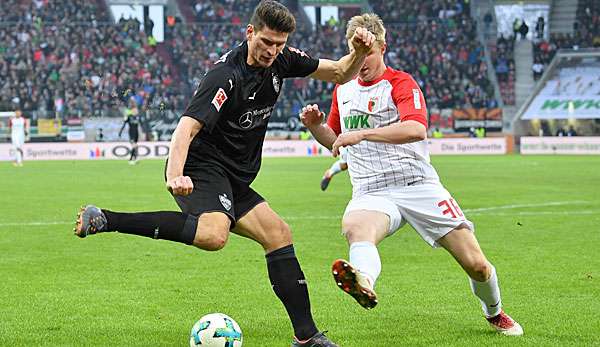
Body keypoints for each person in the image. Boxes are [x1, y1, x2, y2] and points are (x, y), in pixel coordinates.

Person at [73, 1, 376, 346]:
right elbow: (185, 129)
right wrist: (175, 174)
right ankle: (108, 219)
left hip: (232, 176)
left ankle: (306, 338)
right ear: (250, 33)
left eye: (278, 44)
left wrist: (358, 52)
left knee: (278, 233)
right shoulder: (225, 75)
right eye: (265, 42)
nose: (271, 51)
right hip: (199, 166)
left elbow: (339, 72)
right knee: (214, 235)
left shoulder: (283, 58)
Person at [300, 13, 523, 337]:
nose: (361, 61)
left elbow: (416, 128)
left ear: (383, 47)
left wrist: (363, 135)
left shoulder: (400, 82)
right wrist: (316, 126)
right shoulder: (342, 90)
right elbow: (335, 141)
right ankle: (362, 280)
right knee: (355, 227)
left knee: (476, 264)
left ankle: (495, 311)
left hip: (417, 184)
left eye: (368, 52)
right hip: (370, 190)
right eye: (355, 52)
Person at [119, 99, 141, 165]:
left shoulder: (137, 117)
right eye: (135, 110)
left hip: (136, 132)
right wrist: (120, 132)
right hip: (131, 132)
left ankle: (135, 158)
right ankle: (131, 159)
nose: (136, 111)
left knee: (136, 146)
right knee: (134, 146)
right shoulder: (129, 117)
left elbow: (140, 124)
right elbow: (124, 124)